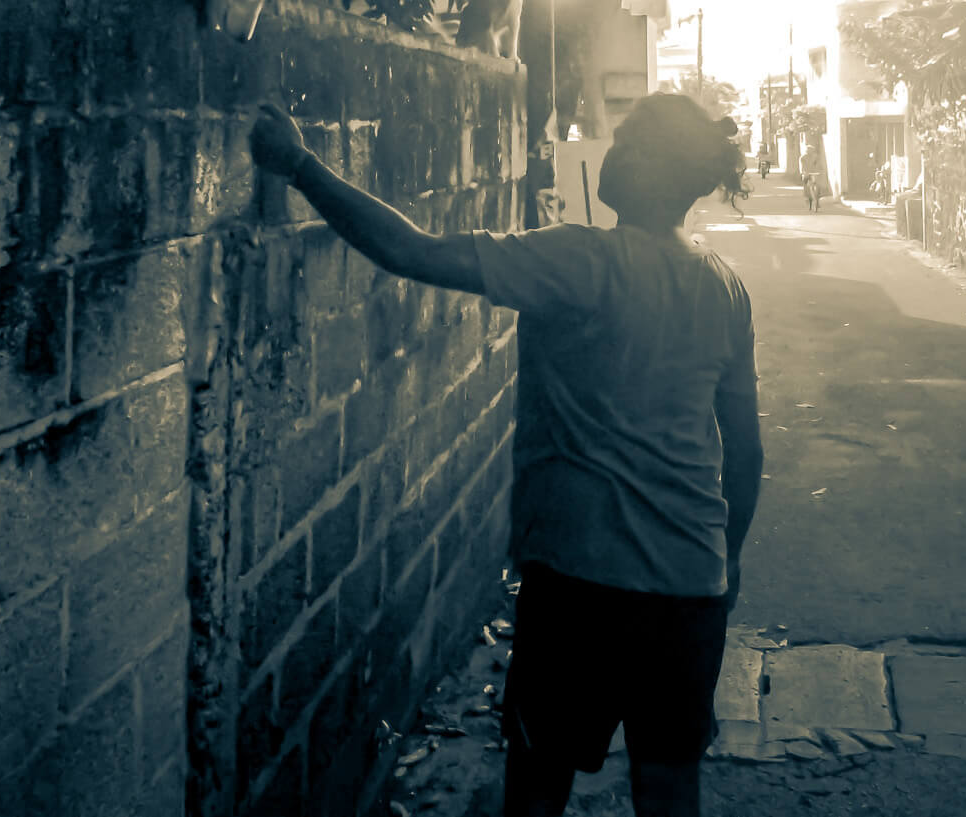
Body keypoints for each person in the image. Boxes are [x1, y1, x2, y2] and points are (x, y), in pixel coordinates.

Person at [249, 93, 762, 817]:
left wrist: (299, 165)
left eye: (626, 141)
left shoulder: (581, 258)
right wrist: (727, 562)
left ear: (651, 165)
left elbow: (412, 251)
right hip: (689, 588)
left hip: (582, 587)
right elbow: (745, 453)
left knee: (537, 784)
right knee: (671, 789)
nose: (609, 151)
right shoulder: (725, 287)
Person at [800, 139, 826, 212]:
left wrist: (821, 171)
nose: (810, 152)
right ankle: (807, 196)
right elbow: (802, 166)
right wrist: (803, 172)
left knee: (819, 185)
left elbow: (819, 165)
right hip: (807, 173)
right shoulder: (803, 158)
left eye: (811, 151)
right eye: (808, 151)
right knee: (805, 184)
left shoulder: (816, 157)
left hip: (815, 173)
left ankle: (818, 198)